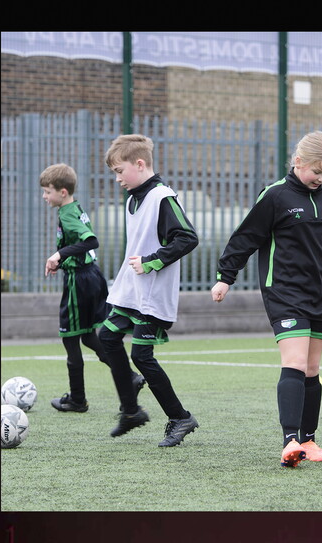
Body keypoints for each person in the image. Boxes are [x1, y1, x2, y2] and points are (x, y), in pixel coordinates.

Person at [211, 131, 322, 468]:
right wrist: (226, 277)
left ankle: (309, 440)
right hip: (285, 292)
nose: (321, 179)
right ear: (298, 162)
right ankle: (290, 441)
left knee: (312, 369)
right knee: (294, 362)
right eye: (316, 171)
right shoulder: (275, 196)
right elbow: (245, 238)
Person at [99, 134, 200, 447]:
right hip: (131, 291)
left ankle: (180, 417)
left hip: (153, 293)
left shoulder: (162, 197)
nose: (117, 179)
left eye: (119, 171)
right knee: (106, 337)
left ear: (139, 164)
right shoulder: (134, 199)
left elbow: (187, 238)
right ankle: (131, 408)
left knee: (142, 355)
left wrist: (152, 262)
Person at [39, 163, 145, 413]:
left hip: (80, 281)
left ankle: (77, 399)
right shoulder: (74, 207)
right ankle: (129, 377)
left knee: (69, 337)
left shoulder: (66, 213)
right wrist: (62, 259)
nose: (44, 196)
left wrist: (58, 254)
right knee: (88, 336)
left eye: (47, 191)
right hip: (91, 276)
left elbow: (90, 240)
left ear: (62, 192)